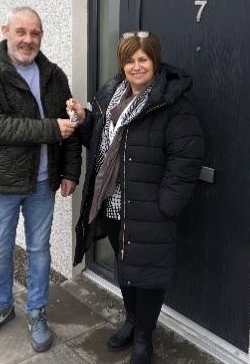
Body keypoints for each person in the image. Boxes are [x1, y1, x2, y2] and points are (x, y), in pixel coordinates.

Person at [68, 31, 204, 363]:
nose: (135, 66)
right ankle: (131, 321)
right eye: (129, 59)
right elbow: (102, 145)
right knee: (126, 266)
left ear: (155, 62)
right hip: (112, 205)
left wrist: (165, 207)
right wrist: (86, 122)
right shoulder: (113, 97)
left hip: (148, 210)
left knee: (150, 276)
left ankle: (144, 336)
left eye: (142, 59)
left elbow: (186, 158)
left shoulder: (172, 104)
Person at [0, 7, 81, 352]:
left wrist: (71, 171)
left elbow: (70, 127)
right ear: (6, 31)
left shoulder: (54, 75)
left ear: (41, 36)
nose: (28, 40)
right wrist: (50, 129)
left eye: (35, 33)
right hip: (0, 184)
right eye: (21, 32)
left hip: (42, 184)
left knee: (38, 250)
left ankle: (36, 311)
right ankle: (2, 305)